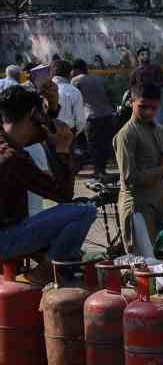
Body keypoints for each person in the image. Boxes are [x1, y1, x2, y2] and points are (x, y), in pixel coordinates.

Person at [0, 86, 94, 280]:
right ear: (33, 115)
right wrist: (63, 150)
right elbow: (63, 195)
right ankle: (44, 273)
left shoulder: (6, 144)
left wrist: (51, 109)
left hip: (9, 230)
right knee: (85, 210)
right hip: (5, 240)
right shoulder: (13, 157)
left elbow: (43, 130)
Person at [114, 89, 163, 258]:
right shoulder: (126, 134)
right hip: (139, 205)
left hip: (162, 202)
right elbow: (129, 178)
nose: (148, 112)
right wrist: (162, 170)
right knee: (145, 262)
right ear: (131, 102)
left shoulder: (160, 130)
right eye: (143, 107)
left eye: (153, 108)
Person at [72, 59, 116, 178]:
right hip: (107, 115)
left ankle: (98, 171)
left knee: (93, 145)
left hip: (92, 117)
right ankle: (102, 169)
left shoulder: (76, 80)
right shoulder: (97, 78)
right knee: (103, 143)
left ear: (76, 69)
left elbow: (73, 98)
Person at [51, 60, 86, 143]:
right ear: (69, 74)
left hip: (48, 136)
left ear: (52, 73)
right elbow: (80, 121)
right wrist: (73, 135)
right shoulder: (74, 91)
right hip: (68, 134)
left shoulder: (43, 90)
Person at [131, 48, 163, 124]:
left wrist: (154, 84)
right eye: (142, 54)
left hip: (154, 103)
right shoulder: (135, 72)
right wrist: (134, 101)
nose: (145, 56)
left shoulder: (156, 69)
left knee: (157, 126)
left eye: (147, 54)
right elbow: (132, 87)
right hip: (141, 105)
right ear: (138, 57)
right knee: (142, 127)